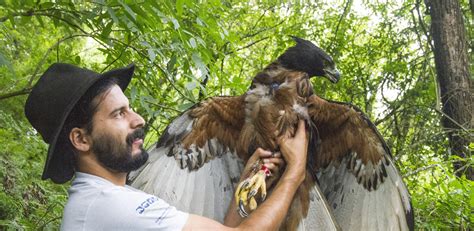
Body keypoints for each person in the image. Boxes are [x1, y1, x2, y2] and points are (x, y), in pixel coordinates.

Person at [24, 63, 308, 230]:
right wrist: (295, 171)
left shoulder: (105, 200)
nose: (138, 119)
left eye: (130, 108)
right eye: (118, 114)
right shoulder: (110, 206)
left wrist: (243, 192)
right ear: (81, 139)